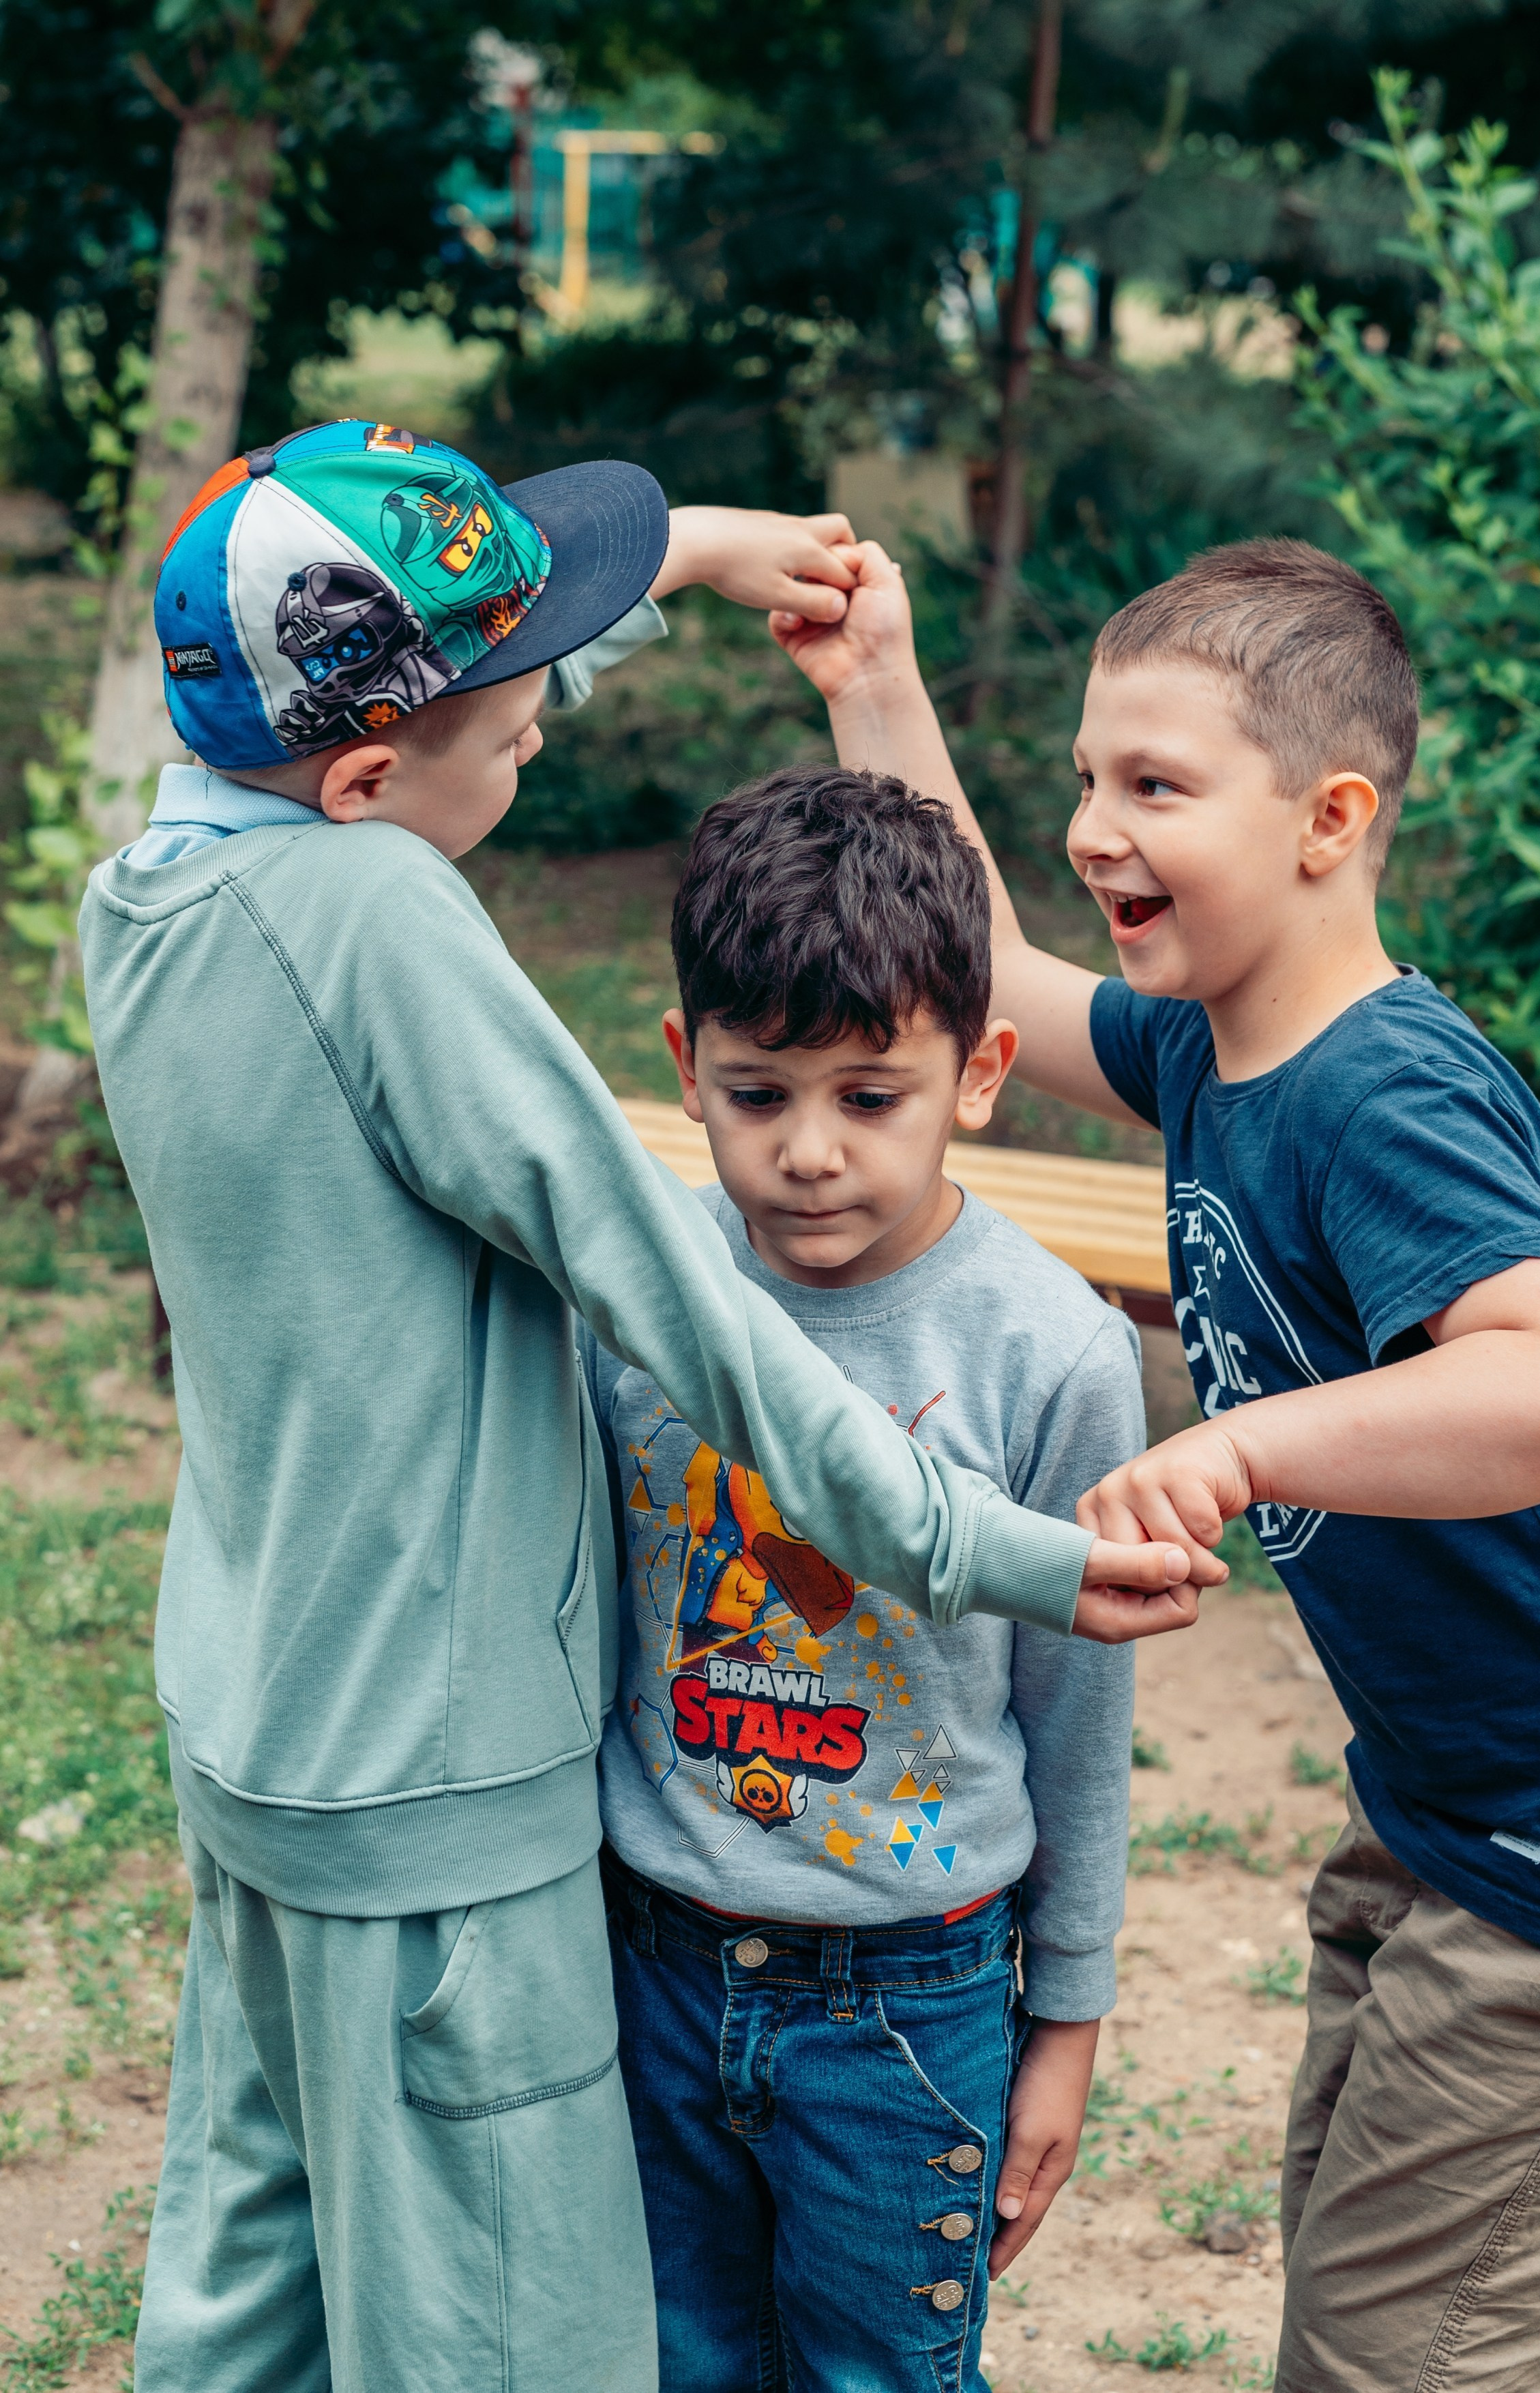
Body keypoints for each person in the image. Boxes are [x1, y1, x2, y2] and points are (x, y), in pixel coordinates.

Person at [83, 423, 1208, 2393]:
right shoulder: (380, 922)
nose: (541, 746)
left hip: (259, 1732)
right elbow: (679, 1292)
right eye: (519, 733)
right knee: (506, 2344)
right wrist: (995, 1547)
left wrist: (688, 552)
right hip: (436, 1787)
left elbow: (421, 710)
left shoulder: (159, 885)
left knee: (248, 2304)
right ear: (364, 783)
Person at [773, 533, 1540, 2393]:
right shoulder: (1216, 1046)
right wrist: (877, 677)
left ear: (1330, 816)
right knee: (1360, 2318)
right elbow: (991, 967)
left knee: (1400, 2363)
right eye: (1092, 778)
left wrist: (1241, 1441)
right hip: (1448, 1810)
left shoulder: (1382, 1092)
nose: (1098, 826)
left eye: (1158, 786)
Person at [584, 765, 1153, 2392]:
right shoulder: (639, 1290)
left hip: (911, 1998)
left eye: (869, 1095)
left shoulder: (1054, 1351)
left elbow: (1077, 1715)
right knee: (673, 2362)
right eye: (759, 1093)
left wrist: (1069, 2020)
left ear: (977, 1073)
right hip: (650, 1964)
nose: (810, 1154)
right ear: (687, 1068)